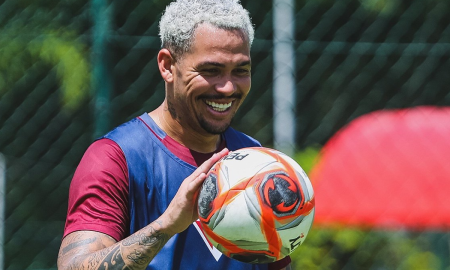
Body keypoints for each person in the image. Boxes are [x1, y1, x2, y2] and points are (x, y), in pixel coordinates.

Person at [57, 0, 292, 269]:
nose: (228, 87)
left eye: (241, 70)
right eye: (211, 70)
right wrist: (167, 225)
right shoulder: (115, 158)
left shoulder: (254, 160)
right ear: (168, 66)